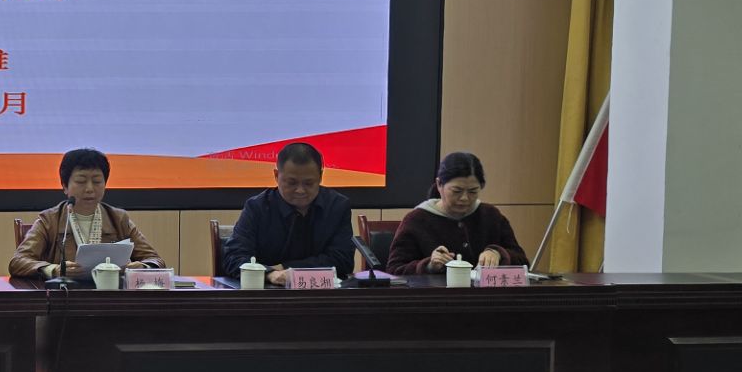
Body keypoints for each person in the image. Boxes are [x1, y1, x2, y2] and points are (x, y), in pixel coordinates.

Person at [11, 148, 165, 279]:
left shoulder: (118, 219)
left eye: (97, 181)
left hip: (111, 296)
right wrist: (53, 270)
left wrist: (142, 266)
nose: (90, 189)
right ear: (65, 186)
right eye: (81, 181)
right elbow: (18, 262)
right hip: (65, 298)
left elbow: (155, 260)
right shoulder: (49, 220)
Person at [221, 142, 353, 284]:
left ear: (320, 176)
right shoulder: (257, 208)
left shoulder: (337, 206)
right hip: (268, 293)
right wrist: (269, 274)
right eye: (291, 183)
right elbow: (234, 257)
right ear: (276, 175)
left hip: (323, 294)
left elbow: (343, 260)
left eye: (308, 183)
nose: (300, 190)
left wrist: (286, 268)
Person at [386, 151, 527, 275]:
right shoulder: (417, 220)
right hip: (436, 296)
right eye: (457, 191)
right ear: (439, 184)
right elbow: (394, 270)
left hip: (485, 296)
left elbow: (523, 261)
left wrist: (498, 253)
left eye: (473, 191)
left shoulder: (491, 216)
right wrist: (428, 265)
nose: (465, 198)